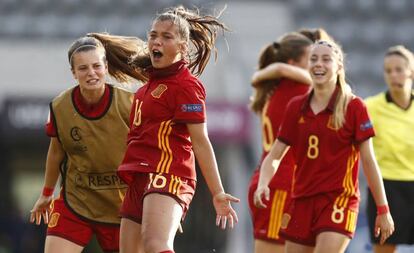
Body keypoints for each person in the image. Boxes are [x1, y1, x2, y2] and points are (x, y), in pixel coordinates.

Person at [88, 6, 240, 253]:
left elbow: (200, 141)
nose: (156, 41)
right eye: (153, 35)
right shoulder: (148, 86)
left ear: (182, 46)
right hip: (139, 176)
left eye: (166, 37)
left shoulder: (186, 86)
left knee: (155, 245)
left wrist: (218, 192)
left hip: (168, 172)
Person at [254, 39, 395, 253]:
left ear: (338, 66)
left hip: (339, 200)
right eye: (313, 59)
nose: (318, 64)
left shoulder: (354, 106)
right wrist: (263, 183)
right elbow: (274, 156)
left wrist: (383, 208)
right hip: (301, 200)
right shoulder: (296, 107)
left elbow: (369, 161)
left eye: (326, 59)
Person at [29, 34, 145, 253]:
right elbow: (56, 153)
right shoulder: (60, 107)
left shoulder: (129, 103)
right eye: (83, 68)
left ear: (106, 67)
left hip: (120, 205)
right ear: (74, 73)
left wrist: (155, 202)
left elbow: (148, 152)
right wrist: (46, 193)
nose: (91, 73)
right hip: (76, 201)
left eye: (96, 66)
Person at [247, 32, 313, 253]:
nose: (317, 65)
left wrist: (273, 70)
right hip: (279, 185)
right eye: (311, 59)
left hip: (278, 181)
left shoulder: (275, 89)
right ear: (293, 64)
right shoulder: (301, 92)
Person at [365, 45, 414, 253]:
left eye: (399, 69)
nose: (393, 75)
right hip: (386, 189)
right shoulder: (370, 107)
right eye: (388, 71)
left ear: (410, 71)